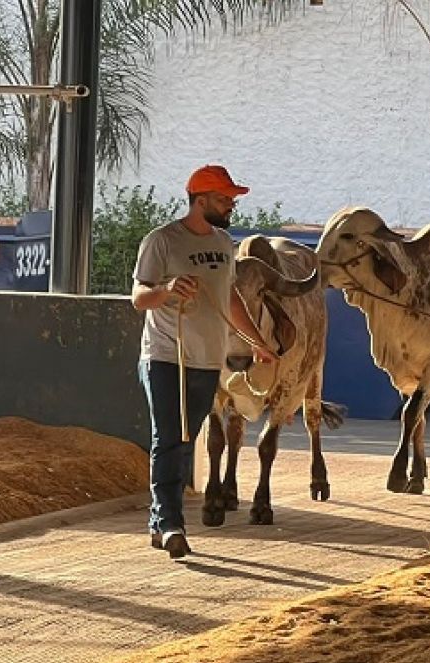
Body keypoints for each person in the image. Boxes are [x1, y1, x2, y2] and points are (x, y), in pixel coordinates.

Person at [131, 164, 276, 558]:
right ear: (200, 200)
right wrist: (168, 289)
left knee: (184, 441)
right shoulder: (162, 241)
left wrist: (258, 342)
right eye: (224, 198)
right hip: (165, 355)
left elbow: (230, 297)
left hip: (209, 361)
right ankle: (171, 524)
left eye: (231, 199)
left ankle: (159, 522)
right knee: (168, 438)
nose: (231, 205)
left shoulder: (224, 242)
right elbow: (139, 298)